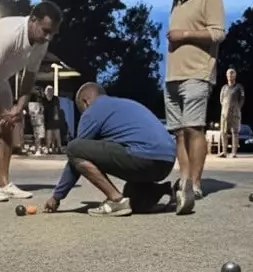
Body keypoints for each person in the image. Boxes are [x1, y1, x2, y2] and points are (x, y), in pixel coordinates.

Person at [0, 2, 63, 202]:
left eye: (53, 33)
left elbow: (29, 77)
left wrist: (18, 107)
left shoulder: (42, 43)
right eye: (46, 31)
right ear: (33, 20)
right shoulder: (10, 32)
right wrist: (0, 112)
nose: (48, 37)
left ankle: (4, 182)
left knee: (8, 124)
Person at [43, 83, 176, 217]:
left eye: (81, 110)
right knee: (133, 199)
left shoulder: (93, 110)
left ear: (85, 102)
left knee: (74, 147)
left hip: (142, 157)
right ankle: (166, 190)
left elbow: (75, 154)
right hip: (166, 162)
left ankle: (116, 200)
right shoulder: (124, 105)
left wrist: (57, 197)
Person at [162, 0, 225, 214]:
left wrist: (185, 34)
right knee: (178, 132)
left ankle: (196, 183)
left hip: (197, 73)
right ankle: (185, 181)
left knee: (193, 128)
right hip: (173, 76)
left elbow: (218, 33)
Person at [219, 69, 244, 158]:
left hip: (235, 113)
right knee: (223, 132)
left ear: (235, 76)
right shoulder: (224, 88)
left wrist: (237, 108)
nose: (230, 76)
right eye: (229, 74)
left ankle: (234, 152)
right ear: (226, 76)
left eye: (232, 74)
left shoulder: (239, 87)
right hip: (224, 113)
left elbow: (242, 99)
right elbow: (221, 100)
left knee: (235, 132)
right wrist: (225, 108)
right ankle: (224, 152)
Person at [43, 85, 62, 153]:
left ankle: (59, 148)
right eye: (48, 90)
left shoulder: (55, 98)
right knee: (49, 133)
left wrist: (56, 115)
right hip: (47, 118)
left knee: (57, 133)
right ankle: (48, 147)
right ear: (46, 92)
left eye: (51, 90)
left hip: (54, 118)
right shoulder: (44, 99)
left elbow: (56, 107)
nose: (50, 92)